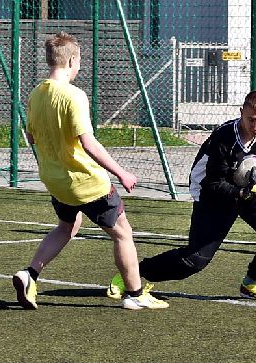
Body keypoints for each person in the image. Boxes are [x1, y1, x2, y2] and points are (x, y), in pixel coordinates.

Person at [11, 31, 168, 311]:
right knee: (122, 233)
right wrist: (122, 172)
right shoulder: (74, 96)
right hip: (84, 181)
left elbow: (31, 137)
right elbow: (89, 143)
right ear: (72, 61)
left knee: (67, 227)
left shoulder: (36, 94)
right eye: (79, 61)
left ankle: (30, 274)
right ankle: (134, 294)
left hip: (55, 180)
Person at [107, 90, 256, 302]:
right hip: (211, 191)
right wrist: (241, 193)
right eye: (250, 119)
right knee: (194, 260)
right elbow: (213, 183)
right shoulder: (224, 138)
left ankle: (251, 283)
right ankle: (133, 274)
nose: (255, 127)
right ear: (241, 112)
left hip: (247, 190)